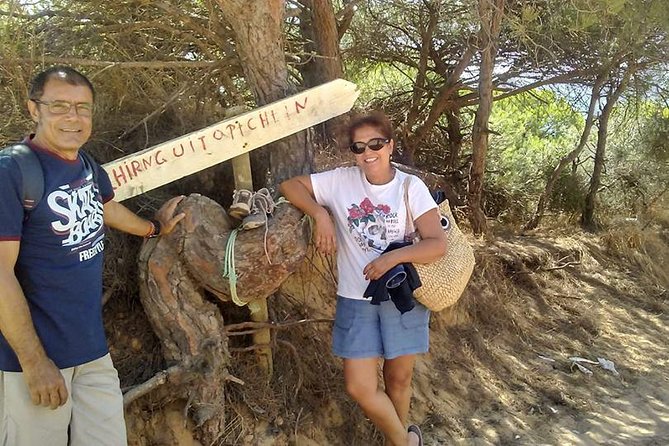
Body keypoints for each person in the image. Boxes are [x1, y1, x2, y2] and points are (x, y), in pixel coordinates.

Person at [0, 66, 185, 446]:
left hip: (92, 352)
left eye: (83, 108)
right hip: (36, 360)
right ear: (33, 109)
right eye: (60, 106)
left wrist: (153, 228)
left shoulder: (85, 164)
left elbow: (105, 207)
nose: (73, 117)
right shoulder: (12, 171)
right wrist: (34, 363)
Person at [279, 112, 446, 446]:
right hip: (356, 298)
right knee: (359, 386)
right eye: (359, 147)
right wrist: (320, 213)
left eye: (376, 143)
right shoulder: (340, 181)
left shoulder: (410, 187)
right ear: (352, 152)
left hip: (400, 297)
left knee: (398, 380)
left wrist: (391, 258)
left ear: (391, 146)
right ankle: (407, 442)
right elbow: (290, 186)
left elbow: (436, 244)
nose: (368, 152)